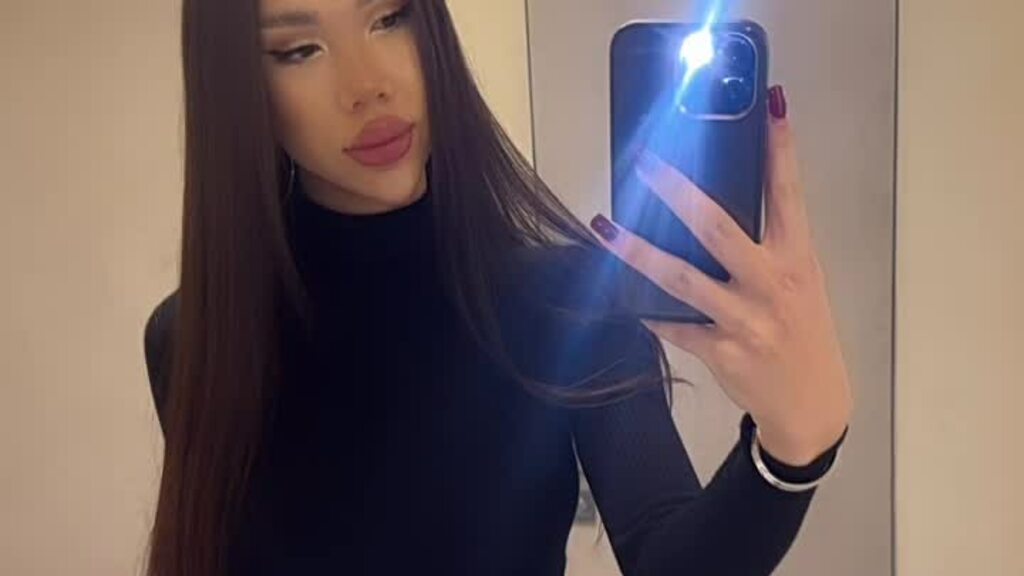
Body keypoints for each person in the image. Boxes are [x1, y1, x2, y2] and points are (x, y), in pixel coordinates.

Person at [142, 1, 853, 574]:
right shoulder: (193, 341)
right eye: (300, 49)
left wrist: (794, 449)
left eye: (389, 17)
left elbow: (669, 557)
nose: (367, 85)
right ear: (237, 84)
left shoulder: (567, 304)